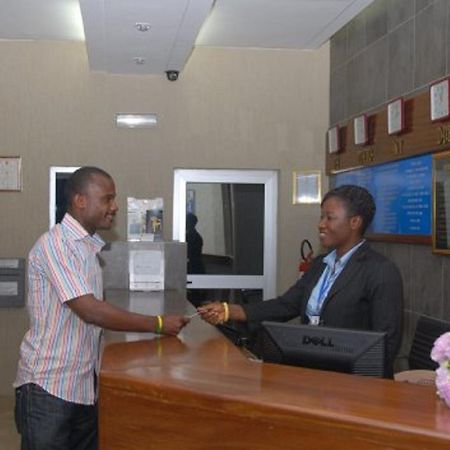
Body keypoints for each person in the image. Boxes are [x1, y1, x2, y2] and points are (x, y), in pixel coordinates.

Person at [14, 166, 189, 450]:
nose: (114, 206)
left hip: (82, 387)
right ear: (80, 200)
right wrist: (157, 324)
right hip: (48, 387)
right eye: (107, 199)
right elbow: (91, 310)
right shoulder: (57, 245)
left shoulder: (88, 249)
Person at [198, 185, 403, 377]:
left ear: (354, 222)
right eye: (321, 217)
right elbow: (286, 305)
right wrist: (229, 311)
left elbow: (386, 345)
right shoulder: (320, 265)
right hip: (314, 375)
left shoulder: (381, 271)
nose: (321, 224)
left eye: (329, 218)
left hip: (355, 387)